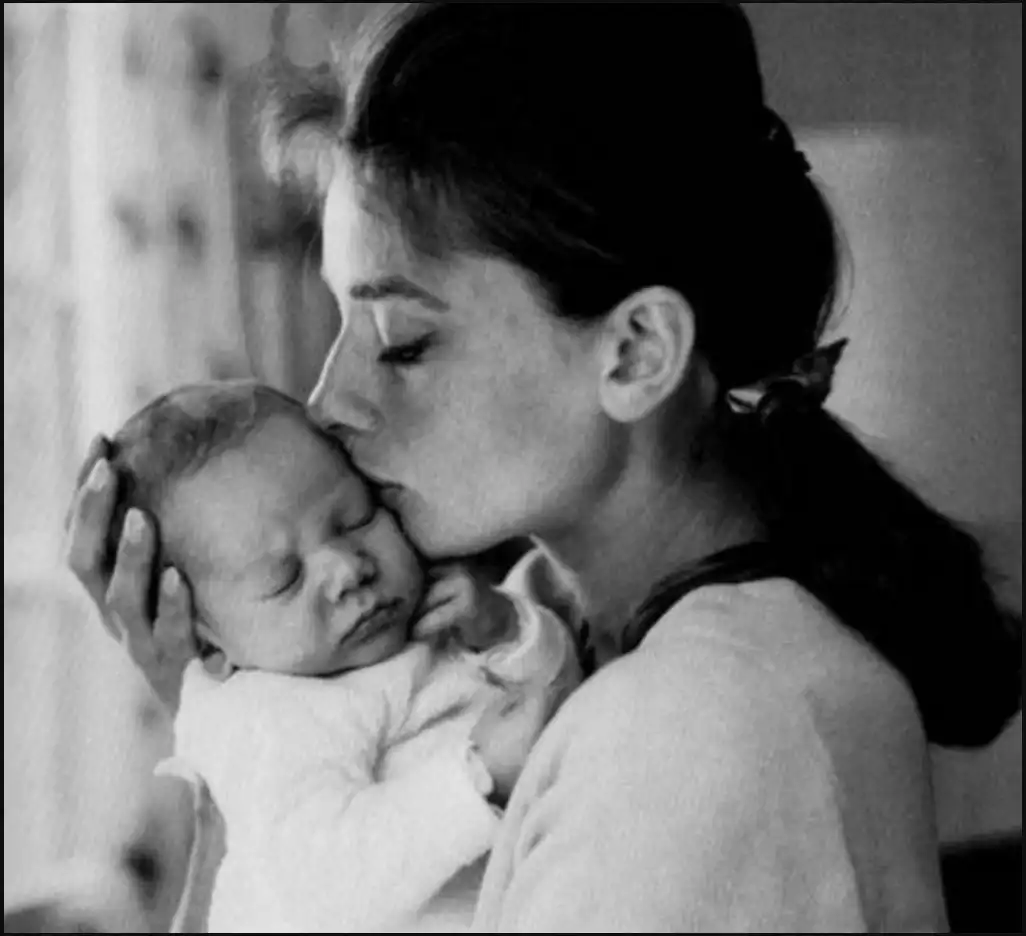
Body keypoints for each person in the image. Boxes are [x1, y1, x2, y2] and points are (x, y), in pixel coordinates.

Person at [66, 3, 1021, 932]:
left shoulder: (696, 723)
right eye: (341, 323)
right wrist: (247, 718)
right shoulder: (528, 620)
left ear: (636, 352)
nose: (327, 404)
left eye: (402, 341)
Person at [102, 380, 581, 932]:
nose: (348, 569)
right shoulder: (266, 721)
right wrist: (475, 780)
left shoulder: (428, 620)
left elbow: (560, 701)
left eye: (356, 518)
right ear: (209, 640)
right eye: (285, 578)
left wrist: (507, 630)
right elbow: (325, 887)